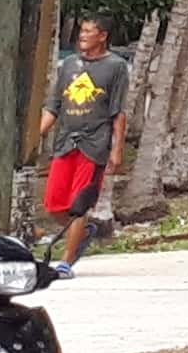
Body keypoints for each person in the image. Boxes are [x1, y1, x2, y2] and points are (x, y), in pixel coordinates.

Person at [37, 15, 132, 266]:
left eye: (90, 31)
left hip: (94, 145)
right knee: (54, 205)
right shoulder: (68, 64)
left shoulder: (116, 67)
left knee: (79, 204)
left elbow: (118, 112)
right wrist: (36, 134)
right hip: (65, 142)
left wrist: (116, 150)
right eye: (82, 30)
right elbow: (54, 106)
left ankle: (67, 262)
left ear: (103, 36)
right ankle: (84, 231)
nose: (83, 35)